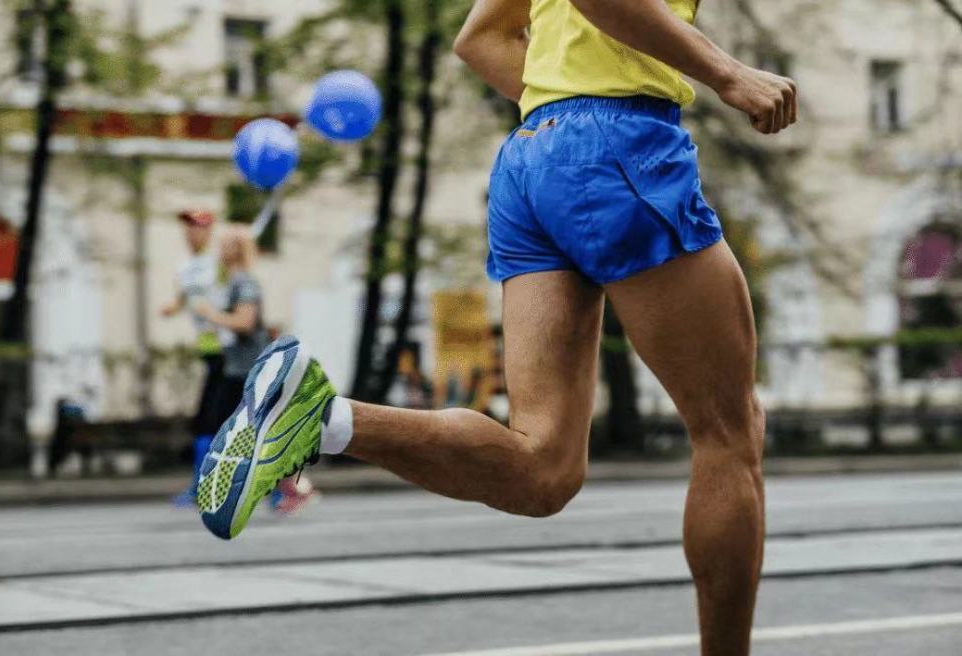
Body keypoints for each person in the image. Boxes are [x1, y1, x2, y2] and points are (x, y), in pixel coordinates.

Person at [198, 1, 796, 652]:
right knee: (729, 434)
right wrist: (727, 72)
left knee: (543, 470)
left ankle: (322, 419)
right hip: (620, 143)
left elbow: (480, 38)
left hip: (534, 156)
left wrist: (567, 113)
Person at [193, 225, 317, 517]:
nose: (218, 250)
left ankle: (287, 489)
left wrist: (210, 314)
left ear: (234, 250)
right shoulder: (234, 282)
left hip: (247, 371)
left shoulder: (245, 283)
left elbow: (245, 322)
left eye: (222, 245)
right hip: (236, 368)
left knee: (240, 431)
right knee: (247, 431)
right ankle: (280, 490)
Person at [161, 209, 223, 506]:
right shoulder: (185, 266)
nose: (191, 232)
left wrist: (216, 315)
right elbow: (186, 297)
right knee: (214, 422)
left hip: (229, 352)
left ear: (210, 231)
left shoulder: (219, 263)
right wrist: (173, 307)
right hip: (210, 351)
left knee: (210, 422)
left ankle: (202, 486)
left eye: (198, 227)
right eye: (187, 227)